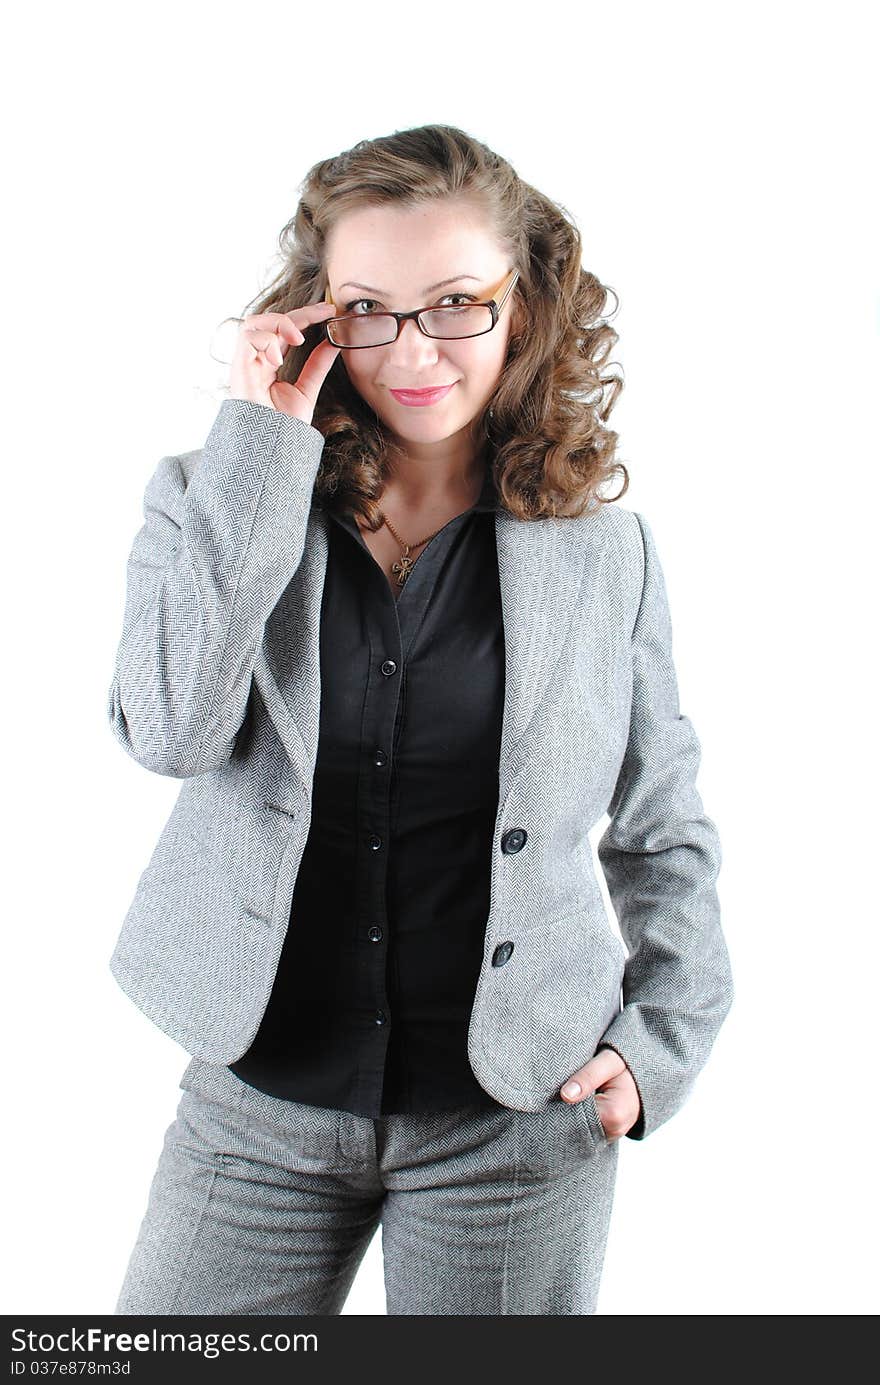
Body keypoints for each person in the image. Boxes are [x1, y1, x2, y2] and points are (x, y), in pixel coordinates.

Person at [108, 124, 733, 1316]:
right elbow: (168, 731)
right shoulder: (210, 495)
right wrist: (261, 451)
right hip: (257, 1108)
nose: (412, 350)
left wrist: (656, 1050)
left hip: (515, 1124)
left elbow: (661, 830)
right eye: (368, 307)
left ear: (523, 303)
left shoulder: (603, 553)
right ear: (312, 315)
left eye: (454, 303)